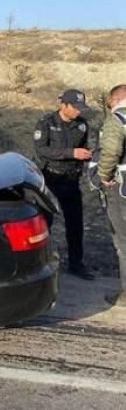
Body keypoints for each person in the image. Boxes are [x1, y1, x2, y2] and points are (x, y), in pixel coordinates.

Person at [34, 89, 97, 280]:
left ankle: (76, 263)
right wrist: (71, 153)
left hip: (71, 180)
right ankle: (41, 264)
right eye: (75, 107)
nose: (79, 111)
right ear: (64, 105)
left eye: (81, 108)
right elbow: (41, 150)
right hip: (50, 179)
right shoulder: (46, 123)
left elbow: (82, 148)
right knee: (45, 223)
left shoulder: (82, 125)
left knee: (75, 223)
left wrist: (86, 155)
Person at [96, 84, 126, 305]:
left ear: (114, 100)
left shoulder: (118, 119)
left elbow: (111, 152)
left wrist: (104, 176)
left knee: (123, 241)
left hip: (122, 190)